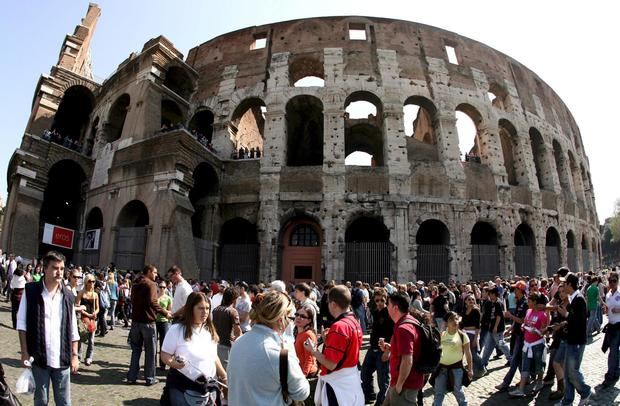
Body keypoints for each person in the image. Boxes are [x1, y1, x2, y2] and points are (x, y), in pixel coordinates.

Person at [16, 251, 79, 406]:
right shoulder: (31, 291)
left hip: (62, 358)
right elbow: (22, 323)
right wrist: (24, 352)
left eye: (62, 268)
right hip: (39, 357)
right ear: (45, 268)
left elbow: (73, 329)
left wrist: (75, 355)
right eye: (55, 268)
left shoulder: (68, 295)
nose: (59, 272)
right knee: (41, 401)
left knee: (64, 402)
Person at [228, 291, 310, 405]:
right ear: (281, 320)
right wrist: (291, 354)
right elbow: (301, 392)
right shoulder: (278, 354)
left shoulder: (238, 342)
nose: (291, 323)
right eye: (291, 318)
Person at [160, 292, 227, 405]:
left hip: (208, 388)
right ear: (191, 309)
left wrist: (224, 377)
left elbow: (214, 357)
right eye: (200, 308)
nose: (205, 312)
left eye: (207, 308)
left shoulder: (209, 332)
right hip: (181, 387)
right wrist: (174, 364)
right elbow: (165, 354)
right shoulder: (176, 330)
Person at [304, 285, 364, 405]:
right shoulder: (354, 320)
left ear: (333, 304)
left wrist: (313, 351)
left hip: (338, 386)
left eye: (328, 301)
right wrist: (328, 342)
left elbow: (331, 364)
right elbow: (347, 350)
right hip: (349, 381)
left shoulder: (339, 326)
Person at [126, 264, 172, 386]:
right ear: (149, 272)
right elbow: (153, 302)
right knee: (150, 351)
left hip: (136, 322)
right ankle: (150, 378)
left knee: (135, 350)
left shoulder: (136, 284)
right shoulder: (151, 284)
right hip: (148, 323)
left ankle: (131, 376)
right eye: (155, 272)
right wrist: (164, 312)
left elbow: (133, 300)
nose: (156, 275)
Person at [555, 272, 594, 405]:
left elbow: (580, 321)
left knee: (572, 371)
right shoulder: (573, 298)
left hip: (576, 341)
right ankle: (567, 400)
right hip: (570, 339)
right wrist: (564, 322)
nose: (562, 286)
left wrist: (565, 314)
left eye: (564, 283)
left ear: (570, 284)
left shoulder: (579, 299)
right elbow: (573, 320)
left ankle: (585, 391)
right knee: (567, 373)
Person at [379, 292, 424, 405]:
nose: (386, 307)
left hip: (404, 385)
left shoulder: (403, 328)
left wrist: (400, 384)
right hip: (399, 383)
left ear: (395, 307)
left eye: (388, 304)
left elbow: (407, 359)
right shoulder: (409, 321)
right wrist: (391, 348)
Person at [508, 293, 549, 397]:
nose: (527, 303)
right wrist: (523, 326)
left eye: (529, 301)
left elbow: (545, 330)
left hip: (537, 344)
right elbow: (525, 323)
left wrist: (538, 331)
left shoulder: (542, 314)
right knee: (525, 366)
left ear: (535, 302)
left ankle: (539, 382)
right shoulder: (528, 311)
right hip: (527, 343)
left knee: (539, 365)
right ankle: (521, 389)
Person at [432, 311, 473, 406]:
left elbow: (468, 354)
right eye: (451, 319)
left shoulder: (463, 336)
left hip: (457, 369)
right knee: (439, 393)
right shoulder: (441, 335)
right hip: (441, 369)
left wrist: (470, 369)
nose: (454, 321)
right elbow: (435, 351)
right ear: (446, 322)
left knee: (458, 391)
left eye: (456, 318)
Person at [361, 288, 393, 405]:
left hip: (383, 350)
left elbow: (393, 334)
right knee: (365, 372)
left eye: (382, 300)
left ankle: (381, 403)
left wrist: (387, 351)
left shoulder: (389, 314)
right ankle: (369, 395)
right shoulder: (375, 311)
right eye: (377, 300)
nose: (379, 302)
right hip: (372, 347)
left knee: (383, 379)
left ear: (386, 300)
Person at [495, 280, 528, 391]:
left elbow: (522, 320)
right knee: (517, 358)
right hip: (516, 333)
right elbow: (517, 319)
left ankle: (506, 383)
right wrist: (511, 328)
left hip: (522, 335)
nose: (513, 291)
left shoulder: (525, 303)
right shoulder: (519, 301)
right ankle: (527, 378)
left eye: (515, 289)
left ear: (520, 290)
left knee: (514, 359)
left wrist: (510, 316)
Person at [479, 287, 511, 367]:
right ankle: (483, 363)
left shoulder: (498, 303)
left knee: (501, 344)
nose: (489, 295)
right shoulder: (489, 303)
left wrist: (495, 327)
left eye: (490, 294)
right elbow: (485, 314)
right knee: (488, 347)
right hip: (490, 329)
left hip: (498, 329)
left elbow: (499, 316)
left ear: (494, 294)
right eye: (489, 294)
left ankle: (511, 359)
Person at [212, 287, 241, 369]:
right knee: (226, 371)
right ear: (234, 299)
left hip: (215, 344)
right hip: (227, 346)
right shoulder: (233, 311)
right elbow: (238, 331)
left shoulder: (215, 309)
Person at [459, 294, 485, 379]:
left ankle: (482, 368)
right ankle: (466, 370)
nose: (471, 301)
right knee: (463, 353)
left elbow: (477, 326)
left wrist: (475, 339)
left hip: (472, 334)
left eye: (473, 299)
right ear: (465, 301)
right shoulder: (464, 310)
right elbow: (462, 323)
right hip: (464, 333)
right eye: (469, 299)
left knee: (473, 353)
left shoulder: (476, 311)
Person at [76, 275, 99, 366]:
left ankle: (89, 357)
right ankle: (78, 356)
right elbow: (77, 306)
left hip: (92, 319)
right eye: (90, 281)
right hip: (83, 318)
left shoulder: (95, 294)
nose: (92, 283)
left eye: (93, 281)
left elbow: (98, 308)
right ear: (86, 282)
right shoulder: (81, 293)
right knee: (81, 339)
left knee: (91, 340)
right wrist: (86, 314)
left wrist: (94, 313)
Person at [602, 271, 620, 387]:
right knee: (614, 350)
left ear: (617, 281)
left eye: (614, 281)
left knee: (613, 351)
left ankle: (611, 374)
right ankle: (615, 372)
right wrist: (606, 310)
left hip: (619, 325)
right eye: (610, 281)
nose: (612, 283)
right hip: (612, 325)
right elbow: (608, 308)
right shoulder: (608, 294)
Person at [294, 303, 318, 377]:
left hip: (308, 373)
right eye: (297, 314)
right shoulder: (298, 332)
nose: (298, 317)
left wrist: (303, 376)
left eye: (303, 316)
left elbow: (309, 359)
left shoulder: (308, 335)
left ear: (309, 321)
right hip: (299, 371)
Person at [156, 280, 172, 370]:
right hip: (154, 321)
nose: (162, 289)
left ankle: (162, 364)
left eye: (164, 287)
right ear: (157, 287)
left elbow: (170, 311)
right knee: (154, 343)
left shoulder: (168, 298)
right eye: (160, 287)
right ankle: (153, 363)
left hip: (164, 322)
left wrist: (162, 311)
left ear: (166, 288)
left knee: (163, 344)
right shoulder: (155, 297)